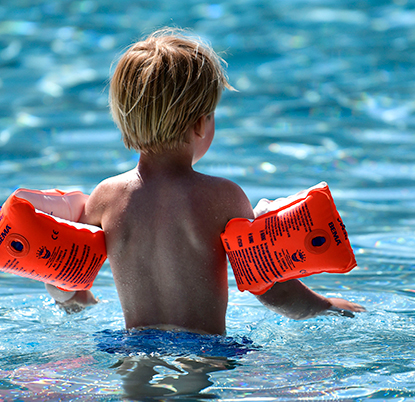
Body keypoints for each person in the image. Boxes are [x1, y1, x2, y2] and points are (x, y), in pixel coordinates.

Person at [45, 28, 364, 335]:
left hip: (133, 345)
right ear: (200, 123)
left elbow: (70, 282)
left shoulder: (105, 197)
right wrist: (325, 306)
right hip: (205, 347)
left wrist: (71, 298)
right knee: (194, 389)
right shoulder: (223, 197)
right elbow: (268, 287)